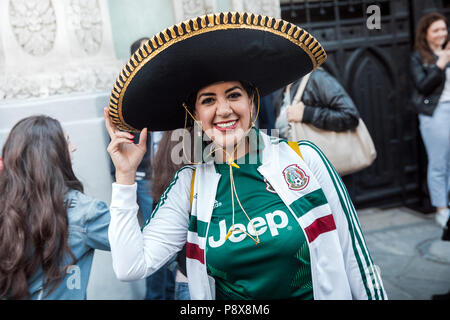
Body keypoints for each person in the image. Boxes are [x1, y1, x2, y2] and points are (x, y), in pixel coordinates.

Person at [105, 12, 386, 300]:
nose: (224, 109)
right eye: (208, 100)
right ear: (196, 115)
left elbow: (357, 260)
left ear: (252, 103)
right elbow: (130, 267)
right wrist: (124, 178)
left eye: (234, 95)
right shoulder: (188, 188)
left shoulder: (305, 160)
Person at [0, 115, 110, 299]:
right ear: (52, 154)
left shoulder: (6, 208)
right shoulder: (85, 213)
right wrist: (126, 180)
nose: (74, 147)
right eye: (67, 141)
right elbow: (138, 247)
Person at [410, 12, 450, 229]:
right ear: (425, 34)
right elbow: (423, 86)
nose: (441, 33)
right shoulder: (418, 56)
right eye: (436, 30)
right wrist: (440, 65)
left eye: (444, 29)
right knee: (439, 162)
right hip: (435, 113)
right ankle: (441, 210)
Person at [273, 67, 360, 139]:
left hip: (324, 156)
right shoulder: (278, 87)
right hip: (293, 157)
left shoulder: (318, 78)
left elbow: (350, 116)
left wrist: (307, 114)